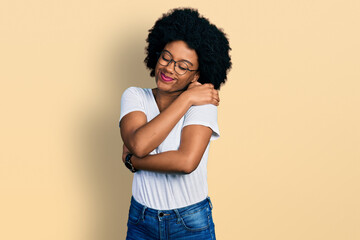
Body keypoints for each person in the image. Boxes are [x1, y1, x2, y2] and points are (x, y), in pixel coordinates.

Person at [119, 8, 231, 239]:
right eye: (166, 57)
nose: (169, 68)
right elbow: (140, 143)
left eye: (182, 66)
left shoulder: (203, 105)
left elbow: (186, 162)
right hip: (141, 219)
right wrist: (187, 98)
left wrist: (133, 161)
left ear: (196, 76)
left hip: (189, 223)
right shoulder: (134, 96)